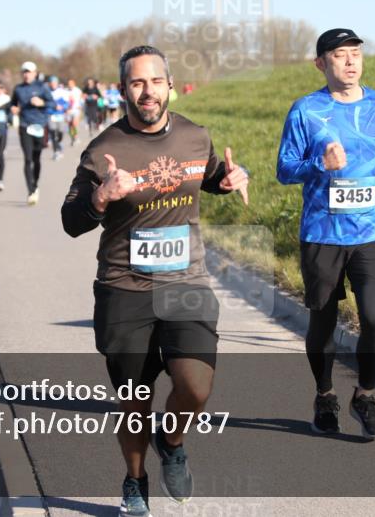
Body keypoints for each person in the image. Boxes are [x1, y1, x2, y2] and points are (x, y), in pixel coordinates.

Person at [61, 45, 249, 517]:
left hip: (186, 283)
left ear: (170, 85)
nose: (148, 92)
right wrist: (101, 197)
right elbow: (70, 220)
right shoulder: (102, 150)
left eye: (155, 81)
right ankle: (135, 479)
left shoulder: (195, 135)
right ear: (123, 89)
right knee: (134, 401)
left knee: (196, 387)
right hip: (124, 287)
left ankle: (172, 441)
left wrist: (228, 179)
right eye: (137, 83)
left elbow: (207, 175)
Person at [277, 28, 375, 439]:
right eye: (339, 55)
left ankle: (364, 396)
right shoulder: (305, 110)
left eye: (356, 53)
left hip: (371, 229)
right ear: (321, 63)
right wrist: (320, 163)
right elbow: (284, 169)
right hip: (323, 232)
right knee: (323, 321)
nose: (350, 61)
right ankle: (325, 395)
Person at [11, 61, 55, 205]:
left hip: (39, 126)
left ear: (35, 73)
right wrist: (13, 109)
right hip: (25, 126)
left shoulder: (42, 87)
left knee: (36, 158)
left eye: (29, 72)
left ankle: (35, 184)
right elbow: (12, 104)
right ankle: (30, 191)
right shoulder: (18, 89)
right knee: (28, 159)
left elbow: (53, 104)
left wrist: (42, 103)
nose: (26, 74)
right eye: (24, 72)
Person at [48, 76, 71, 160]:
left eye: (55, 83)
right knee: (53, 132)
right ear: (49, 84)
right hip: (50, 115)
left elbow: (67, 104)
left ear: (57, 83)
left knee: (60, 133)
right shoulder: (47, 92)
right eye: (51, 83)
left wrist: (62, 107)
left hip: (60, 115)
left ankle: (59, 143)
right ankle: (56, 151)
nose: (53, 84)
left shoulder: (62, 92)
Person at [66, 78, 84, 146]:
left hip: (76, 109)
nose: (70, 85)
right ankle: (72, 137)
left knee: (74, 124)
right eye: (69, 84)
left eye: (71, 83)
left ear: (74, 83)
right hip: (68, 110)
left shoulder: (78, 90)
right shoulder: (66, 91)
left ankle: (76, 137)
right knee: (70, 125)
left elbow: (82, 98)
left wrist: (81, 106)